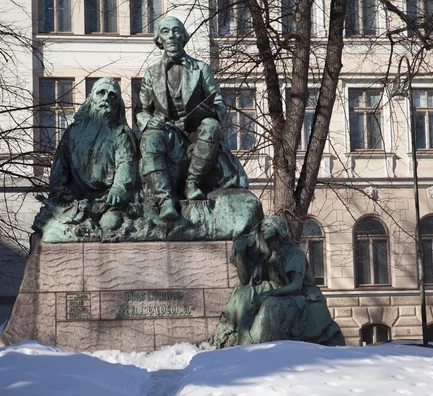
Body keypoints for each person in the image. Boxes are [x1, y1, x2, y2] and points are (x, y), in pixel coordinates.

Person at [136, 16, 247, 222]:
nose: (172, 37)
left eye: (177, 31)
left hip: (195, 132)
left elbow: (220, 104)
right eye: (166, 32)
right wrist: (148, 122)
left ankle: (192, 182)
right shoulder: (151, 73)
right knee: (150, 138)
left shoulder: (201, 69)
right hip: (168, 133)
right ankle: (165, 201)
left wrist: (210, 112)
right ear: (159, 39)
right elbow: (141, 110)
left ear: (184, 37)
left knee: (211, 126)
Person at [211, 216, 345, 347]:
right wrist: (240, 254)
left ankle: (268, 345)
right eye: (263, 226)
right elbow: (245, 281)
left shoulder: (294, 253)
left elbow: (296, 286)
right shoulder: (266, 255)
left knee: (269, 305)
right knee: (244, 294)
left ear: (279, 229)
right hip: (281, 293)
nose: (263, 229)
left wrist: (268, 294)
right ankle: (242, 339)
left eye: (268, 226)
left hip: (304, 298)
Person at [48, 77, 138, 215]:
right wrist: (62, 194)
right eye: (101, 93)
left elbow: (125, 164)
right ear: (91, 99)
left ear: (118, 104)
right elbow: (60, 168)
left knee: (111, 223)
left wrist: (118, 189)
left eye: (112, 95)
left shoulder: (121, 134)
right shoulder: (72, 132)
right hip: (75, 199)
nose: (106, 98)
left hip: (109, 199)